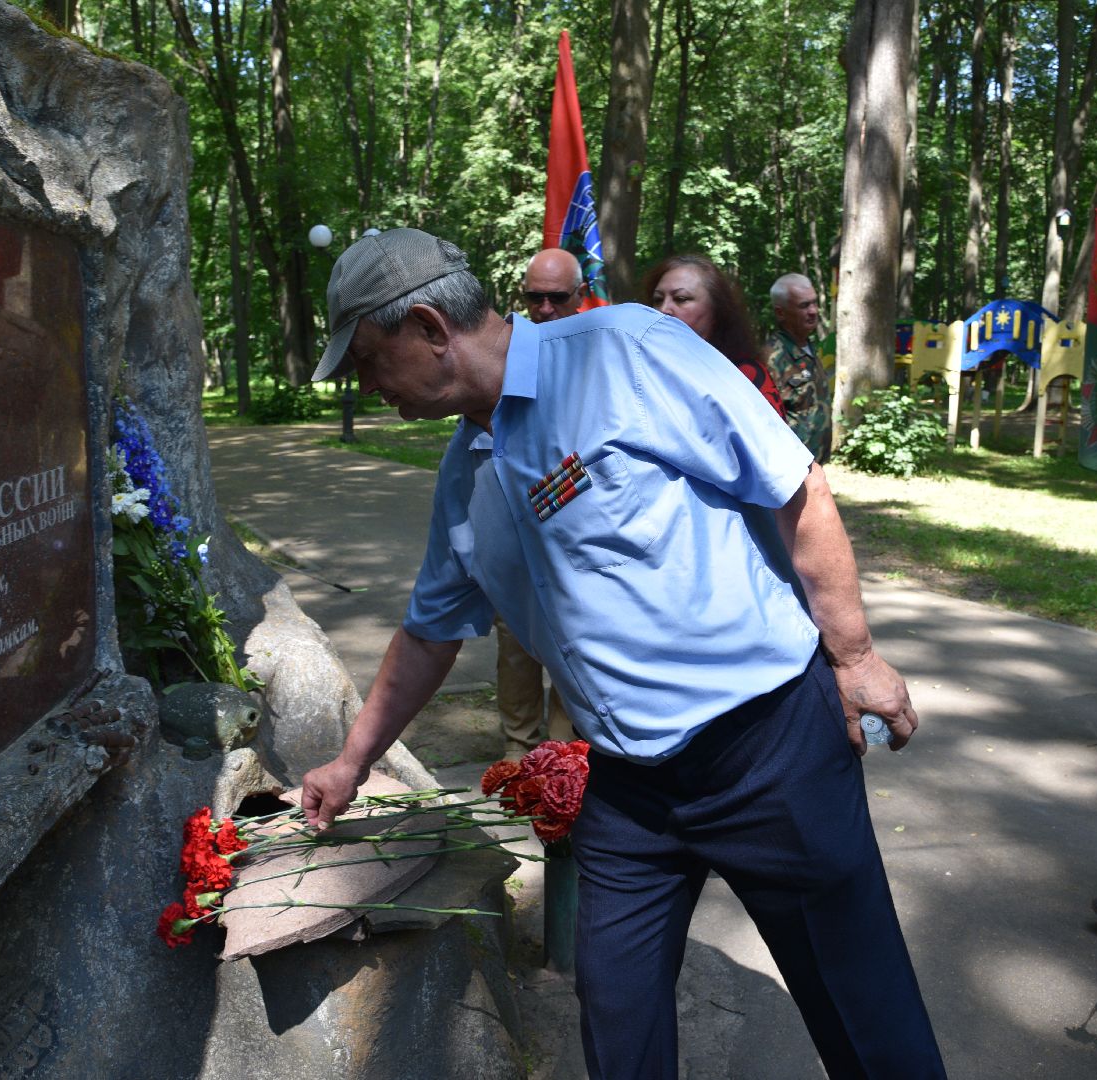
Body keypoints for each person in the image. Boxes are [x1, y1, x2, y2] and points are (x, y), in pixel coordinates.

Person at [301, 228, 945, 1078]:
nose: (368, 387)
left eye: (369, 362)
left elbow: (796, 484)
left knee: (864, 1015)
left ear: (428, 326)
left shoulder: (626, 351)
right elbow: (429, 632)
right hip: (632, 792)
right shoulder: (465, 472)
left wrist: (856, 655)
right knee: (617, 1019)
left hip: (769, 750)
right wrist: (351, 762)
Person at [491, 248, 582, 757]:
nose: (544, 308)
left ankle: (562, 758)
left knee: (572, 647)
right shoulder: (505, 355)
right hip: (519, 532)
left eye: (556, 297)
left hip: (577, 537)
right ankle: (518, 756)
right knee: (517, 648)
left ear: (578, 296)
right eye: (534, 297)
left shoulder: (595, 354)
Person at [643, 254, 787, 419]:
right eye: (658, 300)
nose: (664, 309)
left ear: (717, 310)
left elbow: (775, 442)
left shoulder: (746, 376)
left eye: (681, 299)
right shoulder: (641, 371)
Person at [765, 272, 833, 462]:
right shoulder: (771, 358)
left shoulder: (809, 348)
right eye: (804, 306)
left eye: (814, 303)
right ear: (781, 312)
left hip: (815, 466)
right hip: (789, 470)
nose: (813, 311)